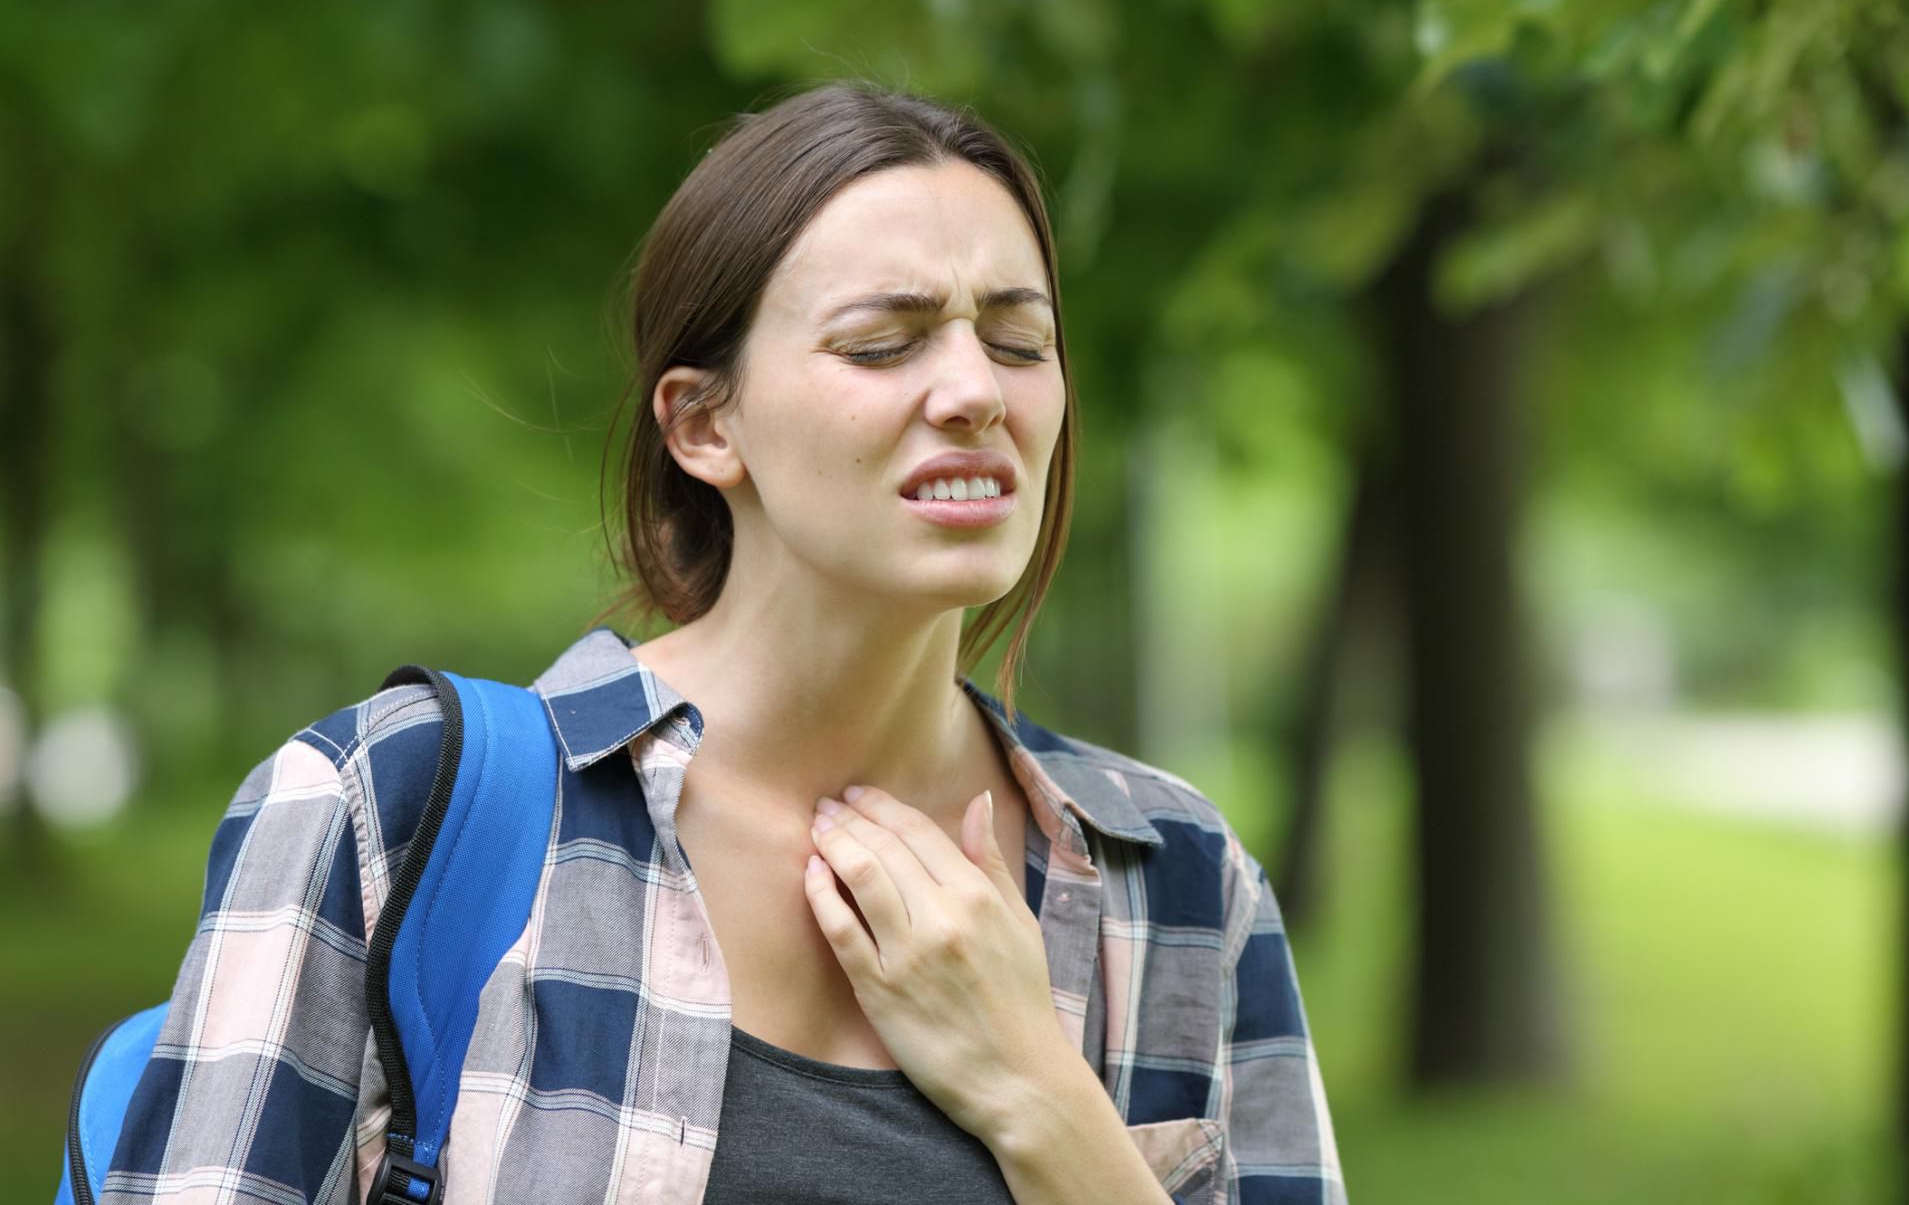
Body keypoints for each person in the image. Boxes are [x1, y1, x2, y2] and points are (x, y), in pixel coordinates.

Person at [100, 81, 1346, 1205]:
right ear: (705, 424)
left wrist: (1045, 1101)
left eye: (1018, 340)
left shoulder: (1180, 881)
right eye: (884, 341)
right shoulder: (385, 814)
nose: (977, 389)